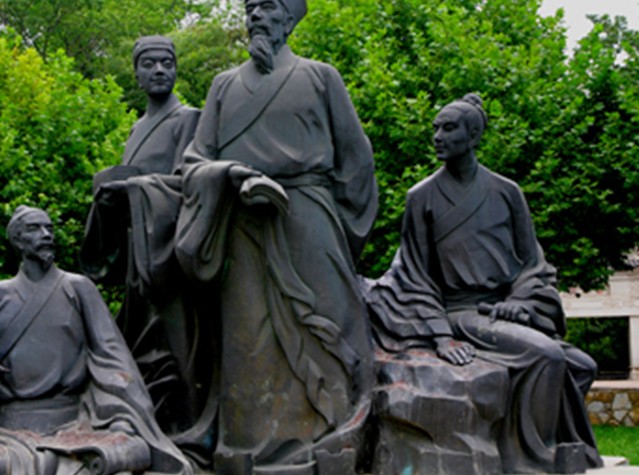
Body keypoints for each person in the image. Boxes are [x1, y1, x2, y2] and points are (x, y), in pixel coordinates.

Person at [139, 0, 377, 472]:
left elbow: (356, 160)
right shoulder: (224, 85)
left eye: (266, 7)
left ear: (289, 17)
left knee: (328, 328)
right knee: (248, 338)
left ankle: (331, 440)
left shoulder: (320, 76)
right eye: (250, 9)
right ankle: (248, 451)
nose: (255, 17)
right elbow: (195, 160)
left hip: (309, 219)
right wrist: (229, 175)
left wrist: (337, 228)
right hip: (242, 224)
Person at [364, 94, 602, 474]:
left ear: (473, 135)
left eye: (448, 128)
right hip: (460, 312)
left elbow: (532, 264)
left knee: (582, 366)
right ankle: (535, 459)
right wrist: (441, 336)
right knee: (549, 356)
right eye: (435, 128)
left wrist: (522, 302)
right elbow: (414, 274)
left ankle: (533, 441)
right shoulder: (421, 197)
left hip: (503, 309)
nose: (437, 136)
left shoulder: (507, 192)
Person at [80, 35, 214, 463]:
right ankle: (152, 428)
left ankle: (190, 438)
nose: (159, 70)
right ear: (135, 74)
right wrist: (112, 198)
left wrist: (134, 187)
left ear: (176, 69)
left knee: (179, 349)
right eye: (149, 64)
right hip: (139, 255)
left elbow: (189, 183)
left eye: (167, 63)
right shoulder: (138, 128)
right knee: (140, 348)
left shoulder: (188, 119)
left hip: (170, 255)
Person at [0, 206, 192, 475]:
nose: (46, 234)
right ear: (18, 241)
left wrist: (123, 417)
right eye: (35, 229)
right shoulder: (3, 295)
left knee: (125, 454)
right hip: (11, 432)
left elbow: (111, 356)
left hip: (73, 426)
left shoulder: (78, 288)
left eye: (49, 228)